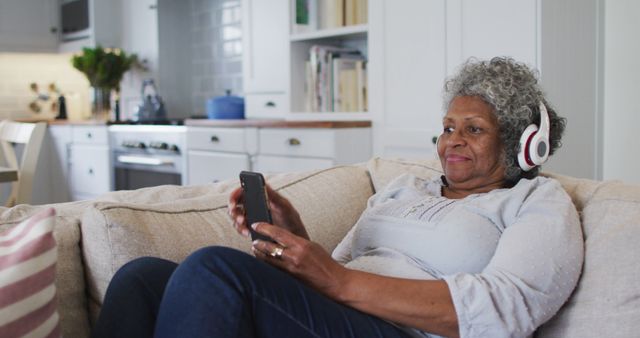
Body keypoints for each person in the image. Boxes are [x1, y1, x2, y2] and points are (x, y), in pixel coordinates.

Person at [92, 57, 584, 338]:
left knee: (212, 269)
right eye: (447, 127)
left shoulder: (537, 202)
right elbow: (337, 269)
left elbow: (504, 310)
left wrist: (338, 280)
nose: (451, 140)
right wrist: (294, 235)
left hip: (402, 332)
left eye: (473, 129)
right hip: (339, 316)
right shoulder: (403, 188)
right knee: (140, 278)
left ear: (523, 144)